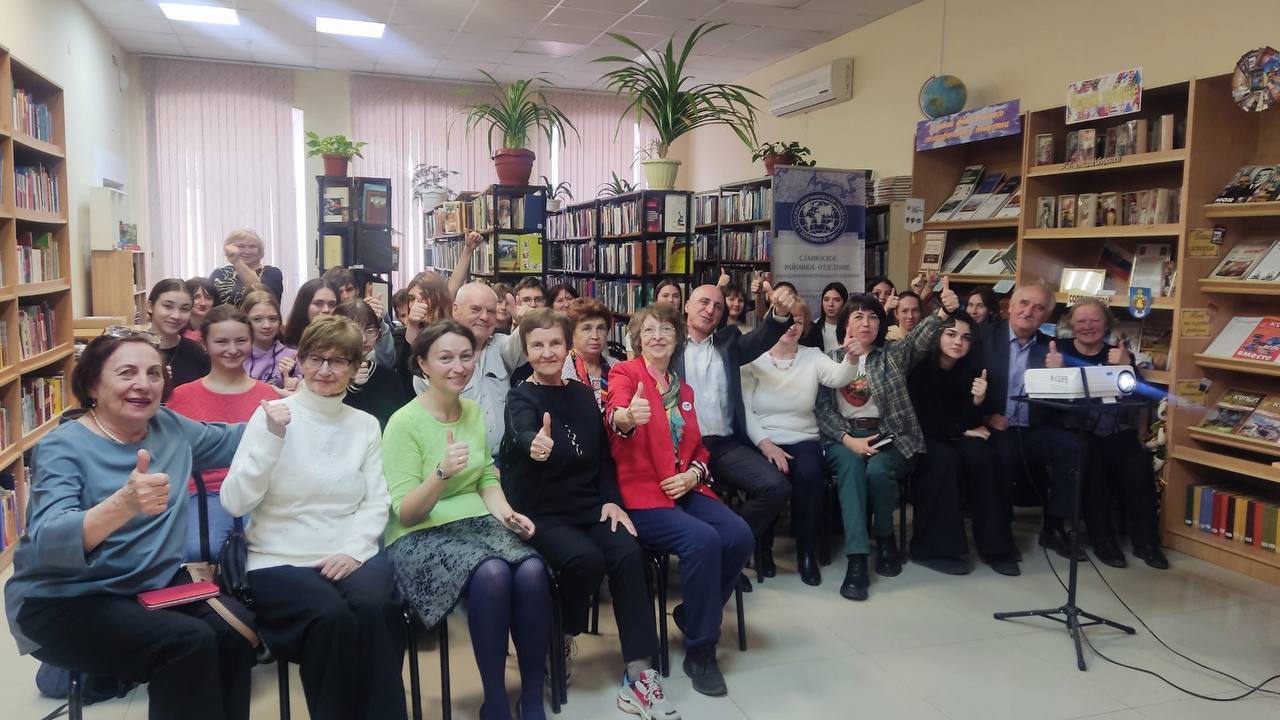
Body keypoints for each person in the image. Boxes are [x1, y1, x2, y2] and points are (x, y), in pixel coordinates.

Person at [4, 330, 253, 720]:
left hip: (148, 584)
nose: (144, 383)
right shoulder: (62, 446)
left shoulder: (169, 427)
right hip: (64, 599)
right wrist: (122, 505)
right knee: (188, 642)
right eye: (126, 373)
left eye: (154, 373)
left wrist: (297, 408)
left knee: (235, 633)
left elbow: (236, 440)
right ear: (92, 384)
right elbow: (48, 541)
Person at [221, 316, 406, 720]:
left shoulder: (364, 425)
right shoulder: (272, 415)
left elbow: (377, 500)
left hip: (349, 551)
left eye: (338, 361)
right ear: (300, 360)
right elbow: (234, 502)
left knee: (378, 609)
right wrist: (271, 440)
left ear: (355, 367)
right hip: (277, 556)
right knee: (331, 618)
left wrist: (355, 550)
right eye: (316, 359)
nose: (325, 370)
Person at [501, 309, 678, 719]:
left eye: (555, 343)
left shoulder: (583, 394)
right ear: (526, 350)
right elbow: (524, 431)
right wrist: (534, 444)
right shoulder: (521, 396)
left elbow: (602, 458)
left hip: (587, 504)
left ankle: (639, 674)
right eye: (537, 345)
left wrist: (611, 500)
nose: (547, 352)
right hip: (541, 510)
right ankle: (559, 635)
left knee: (629, 553)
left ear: (568, 347)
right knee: (585, 559)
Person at [384, 320, 548, 720]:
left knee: (532, 570)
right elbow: (406, 511)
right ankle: (495, 701)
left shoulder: (472, 411)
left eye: (465, 356)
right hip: (419, 533)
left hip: (476, 523)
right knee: (493, 573)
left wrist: (507, 513)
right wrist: (440, 474)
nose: (458, 367)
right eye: (445, 358)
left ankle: (531, 695)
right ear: (423, 364)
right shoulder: (403, 423)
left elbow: (487, 477)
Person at [607, 304, 754, 698]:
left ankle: (694, 612)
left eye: (666, 330)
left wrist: (693, 475)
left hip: (685, 488)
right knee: (702, 541)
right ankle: (701, 651)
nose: (658, 337)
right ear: (638, 339)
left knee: (740, 536)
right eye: (649, 330)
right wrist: (626, 417)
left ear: (677, 339)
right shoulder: (626, 375)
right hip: (643, 496)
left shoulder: (682, 389)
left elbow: (699, 449)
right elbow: (616, 414)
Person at [816, 280, 958, 601]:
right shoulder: (829, 359)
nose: (866, 323)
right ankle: (857, 558)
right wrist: (847, 439)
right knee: (852, 468)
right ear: (845, 324)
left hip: (889, 435)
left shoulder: (892, 354)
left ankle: (885, 538)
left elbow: (920, 339)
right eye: (858, 317)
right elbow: (822, 409)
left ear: (881, 324)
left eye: (873, 317)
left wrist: (943, 312)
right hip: (844, 437)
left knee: (878, 471)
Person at [674, 282, 796, 585]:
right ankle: (715, 555)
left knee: (776, 488)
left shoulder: (729, 343)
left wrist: (780, 314)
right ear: (687, 306)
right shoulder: (668, 346)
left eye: (718, 306)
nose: (710, 310)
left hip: (725, 446)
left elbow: (762, 337)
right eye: (703, 302)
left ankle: (728, 549)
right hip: (681, 449)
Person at [741, 297, 858, 586]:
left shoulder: (813, 356)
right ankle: (763, 550)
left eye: (799, 320)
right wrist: (766, 445)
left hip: (804, 438)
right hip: (764, 440)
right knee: (769, 481)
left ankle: (806, 554)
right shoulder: (753, 359)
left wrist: (851, 359)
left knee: (811, 476)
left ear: (805, 327)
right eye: (787, 319)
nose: (792, 325)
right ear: (773, 321)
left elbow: (839, 377)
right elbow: (745, 411)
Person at [1048, 298, 1168, 570]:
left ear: (1106, 325)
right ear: (1071, 325)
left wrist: (1127, 367)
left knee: (1138, 466)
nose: (1088, 326)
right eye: (1081, 321)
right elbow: (1045, 397)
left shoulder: (1119, 353)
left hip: (1115, 429)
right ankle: (1103, 541)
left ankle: (1147, 543)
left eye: (1095, 320)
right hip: (1075, 429)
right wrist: (1054, 371)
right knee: (1095, 466)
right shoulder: (1058, 350)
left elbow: (1142, 396)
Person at [906, 312, 1019, 576]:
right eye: (951, 334)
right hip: (923, 436)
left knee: (986, 458)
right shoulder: (918, 368)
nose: (958, 342)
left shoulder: (971, 370)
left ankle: (996, 547)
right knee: (945, 461)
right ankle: (934, 549)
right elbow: (919, 419)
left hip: (957, 434)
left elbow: (969, 419)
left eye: (966, 337)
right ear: (938, 336)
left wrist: (977, 401)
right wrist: (962, 430)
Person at [978, 282, 1085, 560]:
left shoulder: (1052, 348)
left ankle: (1053, 528)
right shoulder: (984, 338)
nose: (1028, 312)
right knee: (1001, 457)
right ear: (1010, 306)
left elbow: (1064, 402)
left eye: (1038, 308)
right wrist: (986, 416)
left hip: (1035, 428)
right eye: (1024, 303)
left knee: (1071, 447)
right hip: (995, 426)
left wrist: (1059, 374)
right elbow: (962, 385)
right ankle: (999, 539)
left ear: (1046, 316)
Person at [168, 305, 280, 562]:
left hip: (258, 495)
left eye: (241, 341)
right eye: (221, 342)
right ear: (204, 344)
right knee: (197, 550)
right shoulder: (181, 397)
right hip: (199, 496)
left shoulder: (269, 397)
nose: (232, 349)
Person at [436, 282, 529, 457]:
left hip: (505, 458)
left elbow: (530, 343)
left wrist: (525, 322)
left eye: (491, 311)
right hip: (461, 461)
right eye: (475, 309)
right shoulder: (438, 354)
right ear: (455, 309)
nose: (485, 317)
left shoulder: (501, 346)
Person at [334, 298, 411, 429]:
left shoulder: (388, 377)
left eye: (370, 330)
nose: (363, 339)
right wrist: (351, 388)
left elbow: (400, 425)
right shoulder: (326, 374)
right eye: (355, 330)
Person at [148, 278, 211, 389]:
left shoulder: (196, 352)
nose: (176, 316)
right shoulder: (130, 348)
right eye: (168, 306)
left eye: (184, 309)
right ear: (150, 306)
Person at [563, 297, 621, 412]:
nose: (595, 336)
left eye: (601, 328)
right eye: (586, 329)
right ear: (572, 333)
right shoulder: (561, 370)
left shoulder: (618, 367)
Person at [210, 228, 284, 305]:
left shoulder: (272, 273)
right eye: (241, 246)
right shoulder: (220, 273)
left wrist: (237, 261)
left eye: (252, 246)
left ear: (259, 250)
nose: (247, 251)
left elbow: (263, 296)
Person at [241, 289, 296, 389]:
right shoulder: (236, 356)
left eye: (272, 319)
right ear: (245, 322)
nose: (267, 325)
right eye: (257, 319)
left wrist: (291, 379)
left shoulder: (292, 357)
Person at [281, 277, 340, 347]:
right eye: (318, 304)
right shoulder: (286, 348)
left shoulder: (345, 341)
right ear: (303, 307)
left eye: (332, 304)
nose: (326, 310)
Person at [802, 281, 849, 351]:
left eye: (837, 300)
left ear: (844, 303)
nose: (830, 304)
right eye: (826, 300)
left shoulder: (851, 328)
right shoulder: (813, 327)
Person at [184, 276, 218, 342]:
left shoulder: (220, 328)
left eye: (208, 298)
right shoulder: (176, 327)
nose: (203, 303)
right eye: (196, 297)